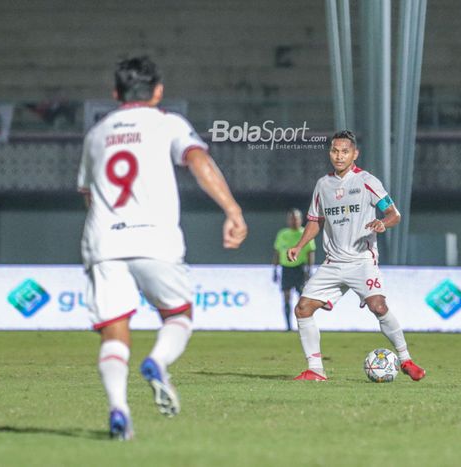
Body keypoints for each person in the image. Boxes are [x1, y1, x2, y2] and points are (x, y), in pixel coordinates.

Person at [77, 56, 247, 440]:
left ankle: (119, 410)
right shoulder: (168, 122)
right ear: (157, 91)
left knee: (114, 333)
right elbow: (198, 159)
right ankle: (157, 361)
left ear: (115, 93)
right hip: (154, 237)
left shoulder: (96, 134)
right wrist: (232, 209)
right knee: (178, 315)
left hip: (104, 240)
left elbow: (89, 194)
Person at [287, 130, 425, 382]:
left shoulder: (367, 181)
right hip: (333, 263)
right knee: (303, 308)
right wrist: (299, 245)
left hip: (362, 261)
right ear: (330, 153)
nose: (339, 156)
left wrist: (384, 223)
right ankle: (316, 370)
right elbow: (315, 221)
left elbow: (394, 214)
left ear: (355, 154)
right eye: (335, 151)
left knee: (378, 306)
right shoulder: (323, 185)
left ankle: (406, 360)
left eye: (344, 151)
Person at [272, 208, 316, 330]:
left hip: (300, 268)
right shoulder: (282, 234)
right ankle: (288, 326)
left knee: (302, 300)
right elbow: (277, 252)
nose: (293, 221)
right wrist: (275, 270)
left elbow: (310, 252)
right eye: (291, 218)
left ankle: (303, 326)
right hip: (286, 268)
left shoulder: (305, 233)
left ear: (300, 220)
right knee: (286, 297)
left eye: (296, 218)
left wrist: (309, 269)